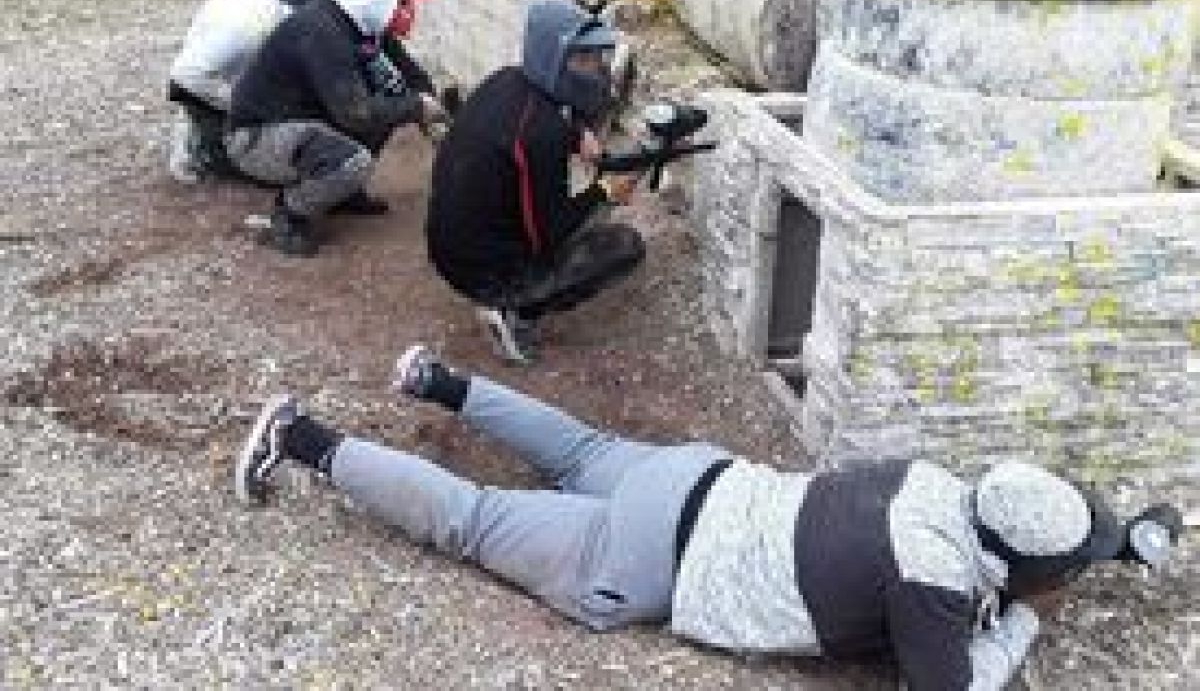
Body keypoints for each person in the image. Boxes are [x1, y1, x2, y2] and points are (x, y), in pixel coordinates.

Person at [236, 345, 1136, 690]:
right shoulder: (933, 583)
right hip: (656, 562)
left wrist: (1111, 545)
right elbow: (952, 687)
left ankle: (437, 380)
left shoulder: (937, 480)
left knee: (580, 448)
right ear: (1010, 560)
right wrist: (1023, 617)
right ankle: (303, 438)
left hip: (701, 476)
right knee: (469, 519)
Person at [425, 0, 644, 364]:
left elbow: (547, 118)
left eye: (596, 58)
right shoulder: (540, 134)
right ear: (552, 58)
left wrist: (578, 137)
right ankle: (513, 314)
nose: (595, 70)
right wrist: (605, 191)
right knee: (625, 246)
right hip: (480, 271)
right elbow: (548, 232)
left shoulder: (508, 80)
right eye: (582, 60)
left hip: (450, 244)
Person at [226, 0, 444, 257]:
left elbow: (410, 75)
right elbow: (357, 115)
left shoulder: (360, 19)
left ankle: (341, 193)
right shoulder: (321, 33)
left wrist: (428, 105)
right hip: (256, 137)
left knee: (392, 99)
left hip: (304, 119)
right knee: (353, 158)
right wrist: (417, 107)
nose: (406, 8)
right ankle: (290, 213)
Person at [166, 0, 330, 183]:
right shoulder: (247, 28)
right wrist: (245, 103)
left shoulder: (283, 6)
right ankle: (195, 148)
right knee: (263, 166)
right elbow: (185, 74)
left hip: (228, 62)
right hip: (202, 78)